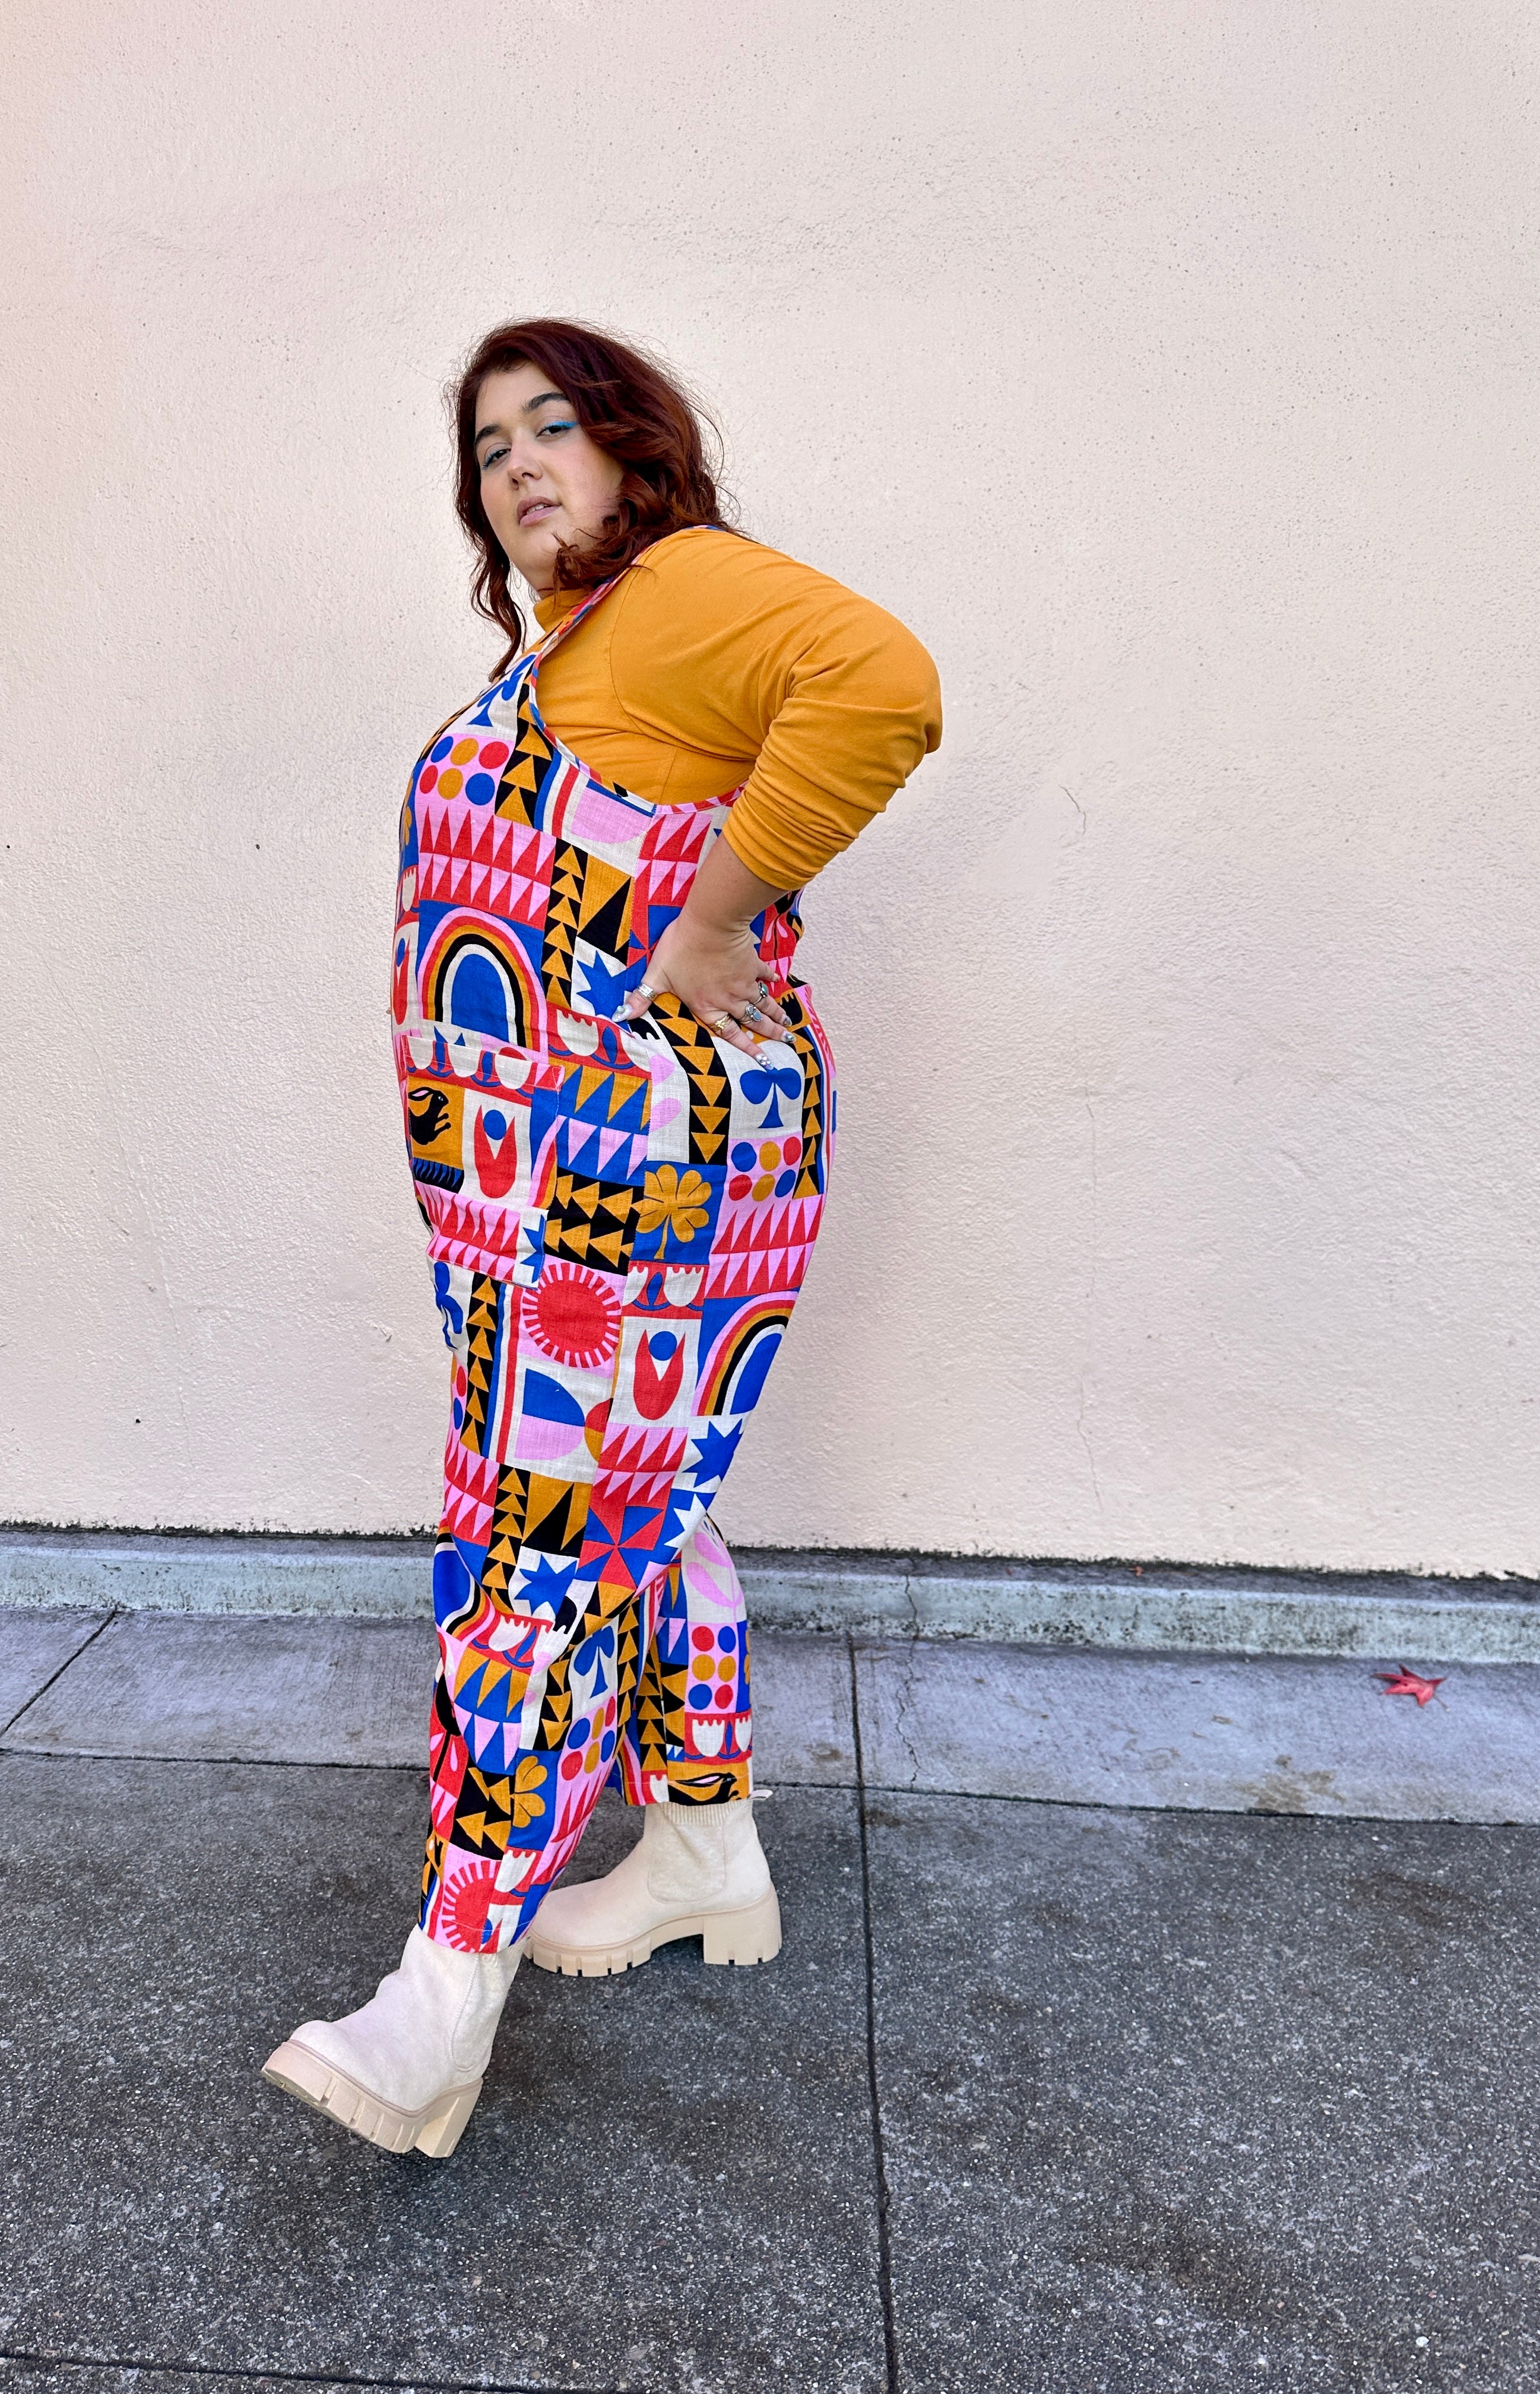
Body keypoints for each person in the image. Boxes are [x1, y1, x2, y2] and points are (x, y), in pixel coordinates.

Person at [264, 319, 940, 2158]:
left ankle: (441, 1996)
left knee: (539, 1546)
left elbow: (883, 682)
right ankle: (706, 1850)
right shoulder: (571, 651)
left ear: (639, 449)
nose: (517, 466)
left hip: (626, 1182)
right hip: (556, 1184)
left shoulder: (678, 594)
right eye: (489, 448)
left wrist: (712, 924)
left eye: (553, 426)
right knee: (645, 1511)